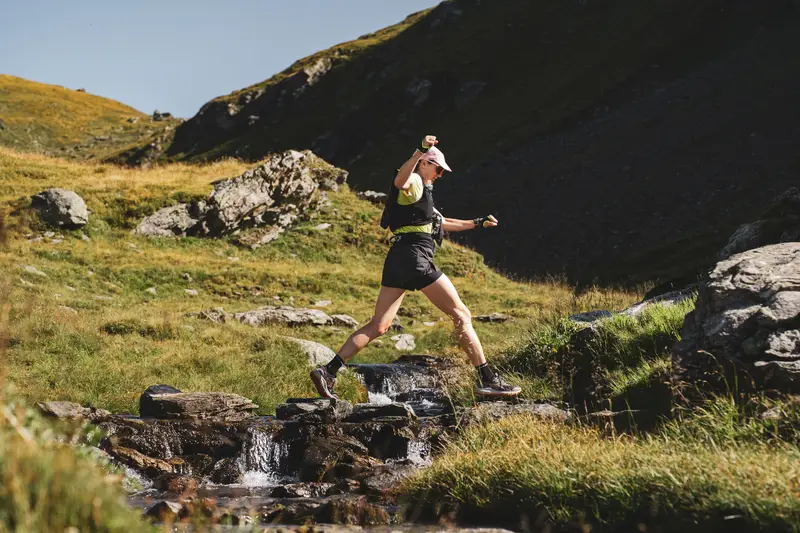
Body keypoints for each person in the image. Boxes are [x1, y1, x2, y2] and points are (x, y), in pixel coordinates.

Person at [310, 135, 521, 399]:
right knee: (461, 314)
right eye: (439, 168)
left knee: (379, 326)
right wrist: (419, 151)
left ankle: (328, 371)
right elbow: (400, 180)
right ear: (425, 163)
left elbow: (443, 222)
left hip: (398, 258)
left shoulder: (423, 196)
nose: (441, 174)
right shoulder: (415, 182)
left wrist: (478, 223)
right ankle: (487, 378)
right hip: (415, 256)